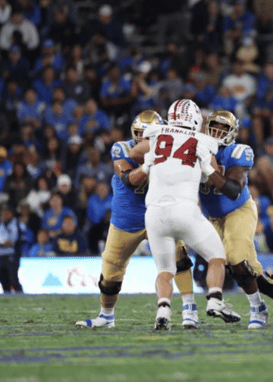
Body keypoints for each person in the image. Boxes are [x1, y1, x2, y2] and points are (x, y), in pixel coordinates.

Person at [76, 110, 218, 329]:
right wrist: (147, 166)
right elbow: (129, 180)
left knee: (179, 261)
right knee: (111, 272)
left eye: (148, 134)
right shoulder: (121, 148)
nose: (143, 139)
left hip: (160, 212)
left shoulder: (172, 149)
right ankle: (106, 315)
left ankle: (189, 309)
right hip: (127, 219)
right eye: (140, 134)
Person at [199, 110, 273, 329]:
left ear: (233, 133)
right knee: (246, 267)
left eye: (224, 129)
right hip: (213, 216)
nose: (218, 132)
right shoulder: (196, 150)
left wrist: (207, 168)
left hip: (238, 209)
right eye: (215, 127)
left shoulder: (240, 151)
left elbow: (232, 189)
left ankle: (257, 308)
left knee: (236, 258)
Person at [133, 99, 239, 330]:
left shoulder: (155, 133)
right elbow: (218, 178)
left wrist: (149, 161)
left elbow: (135, 151)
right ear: (195, 119)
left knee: (164, 271)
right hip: (185, 210)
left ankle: (163, 310)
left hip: (154, 214)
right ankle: (214, 300)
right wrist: (207, 168)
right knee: (217, 257)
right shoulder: (204, 141)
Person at [0, 203, 25, 293]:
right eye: (2, 212)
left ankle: (22, 297)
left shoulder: (17, 224)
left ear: (11, 213)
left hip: (12, 256)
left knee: (13, 279)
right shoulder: (0, 226)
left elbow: (12, 241)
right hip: (1, 256)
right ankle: (7, 299)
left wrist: (3, 243)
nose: (4, 214)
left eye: (6, 212)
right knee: (3, 279)